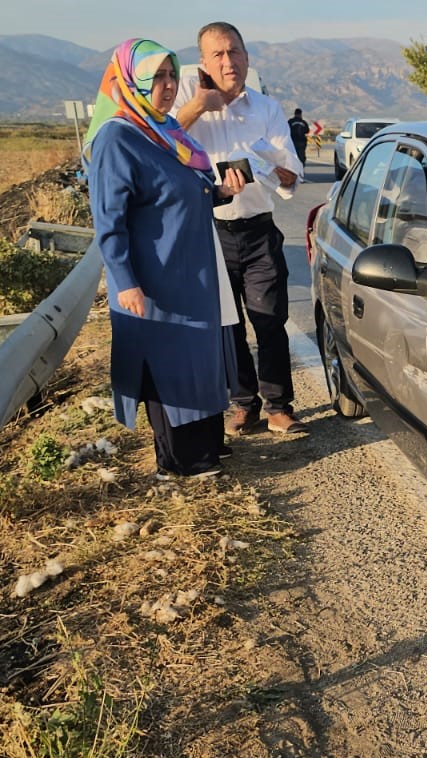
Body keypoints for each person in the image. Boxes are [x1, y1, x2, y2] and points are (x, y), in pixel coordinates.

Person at [84, 38, 245, 479]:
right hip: (154, 280)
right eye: (157, 77)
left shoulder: (165, 131)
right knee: (171, 368)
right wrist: (124, 280)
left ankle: (208, 448)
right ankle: (180, 463)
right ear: (130, 81)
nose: (169, 85)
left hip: (190, 274)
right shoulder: (118, 138)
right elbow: (108, 220)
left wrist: (219, 192)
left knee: (199, 361)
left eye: (173, 74)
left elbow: (177, 195)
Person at [175, 21, 305, 437]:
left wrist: (268, 167)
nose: (228, 61)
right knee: (227, 326)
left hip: (259, 230)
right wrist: (199, 105)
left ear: (247, 57)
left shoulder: (266, 109)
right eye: (217, 54)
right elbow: (163, 143)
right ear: (203, 63)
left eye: (234, 52)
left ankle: (279, 406)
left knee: (269, 320)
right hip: (209, 232)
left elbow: (291, 176)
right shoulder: (188, 104)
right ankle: (243, 404)